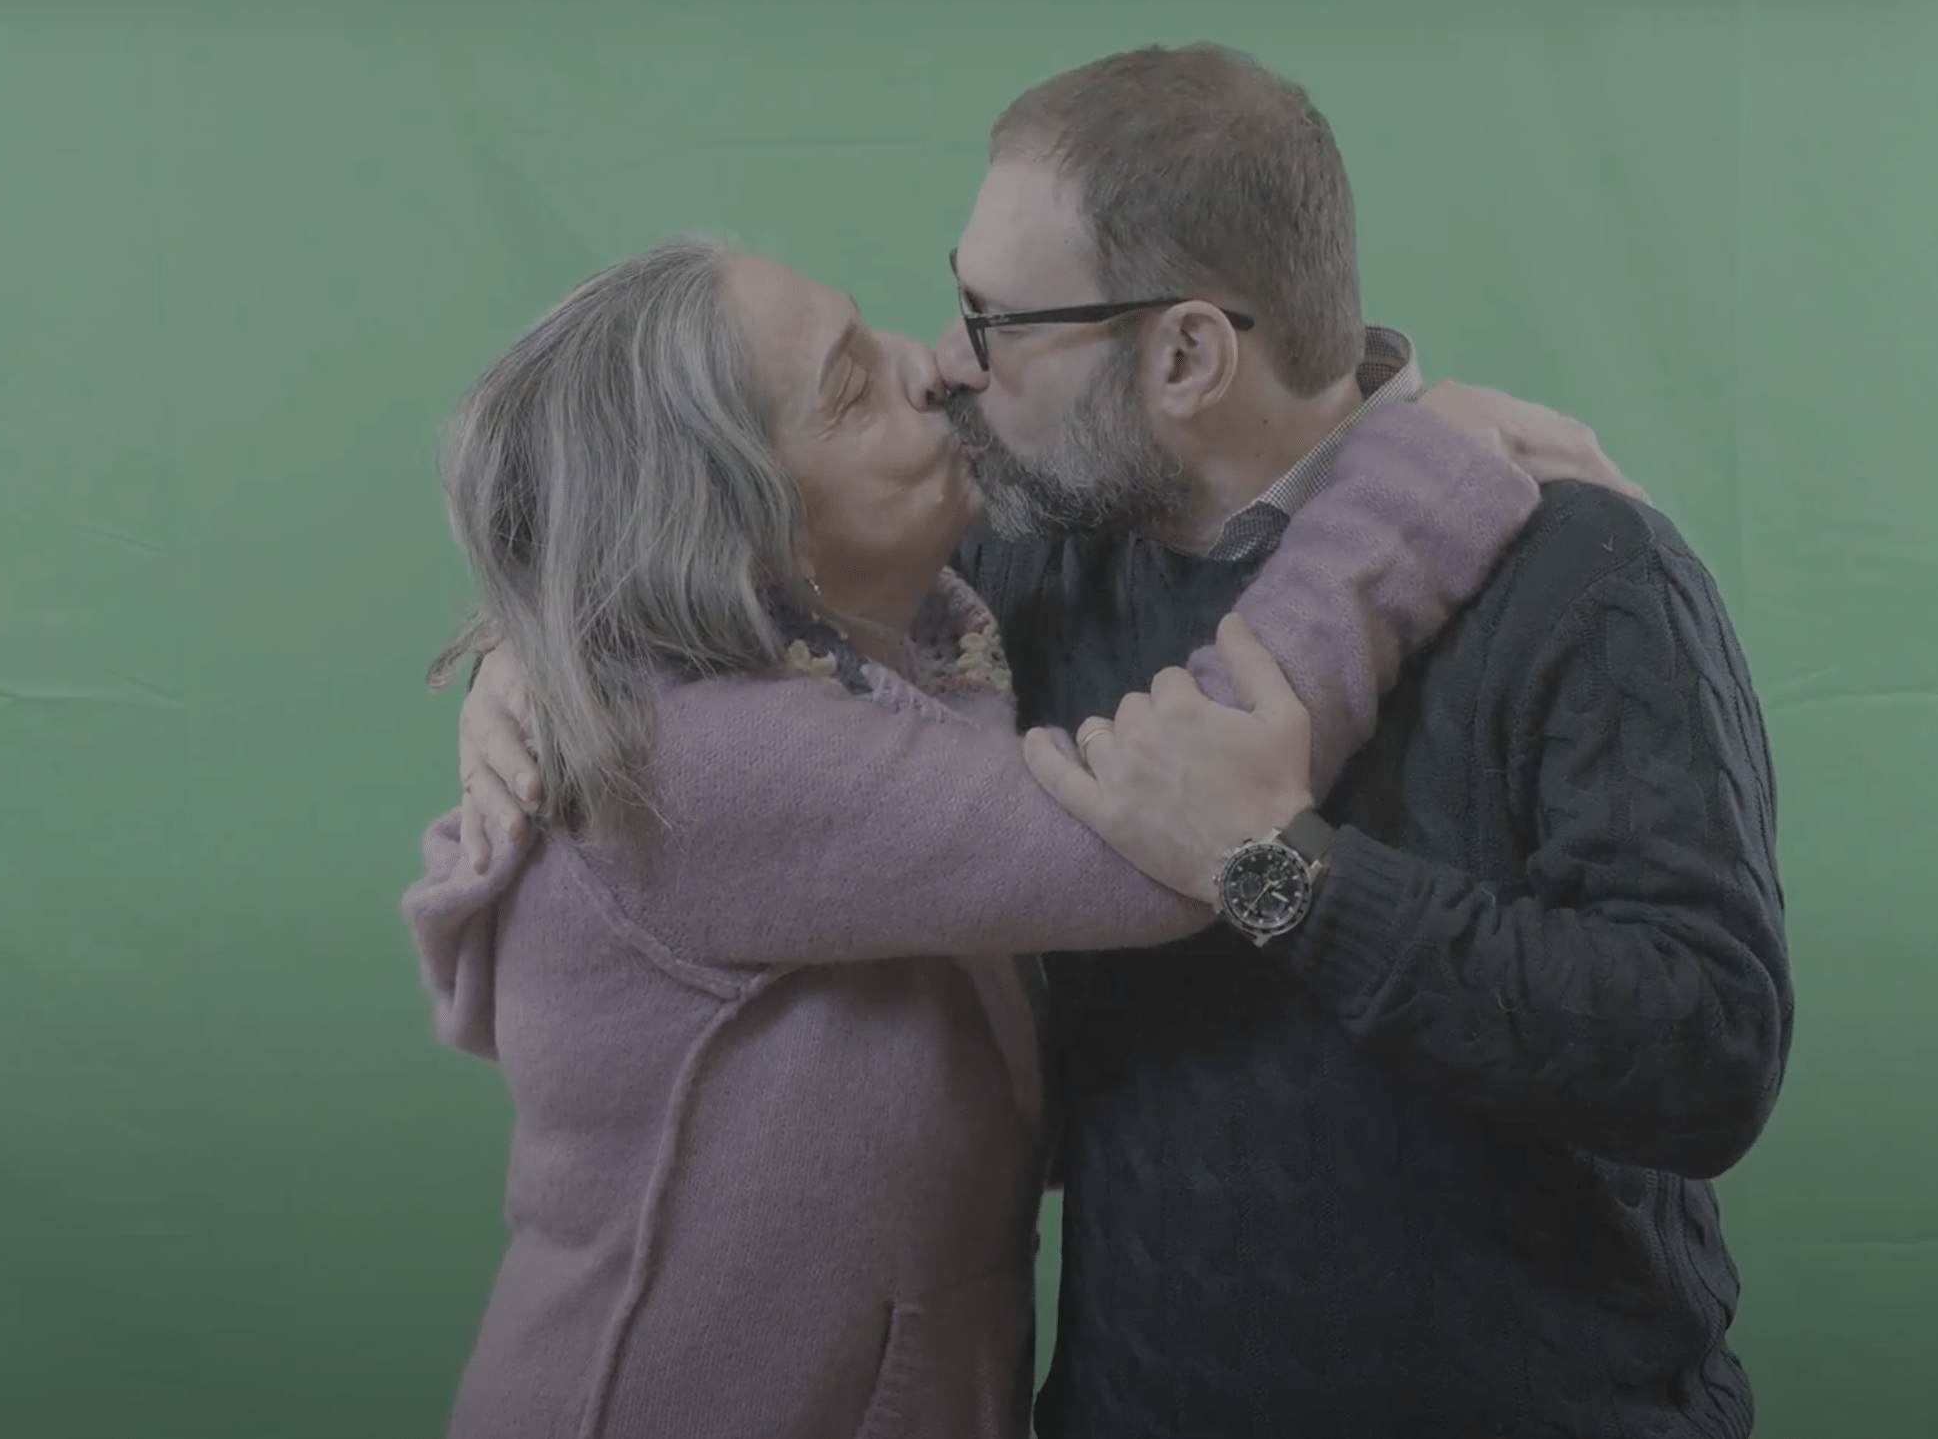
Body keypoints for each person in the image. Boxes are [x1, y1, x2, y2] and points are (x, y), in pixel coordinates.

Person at [458, 43, 1791, 1438]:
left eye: (997, 319)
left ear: (1185, 353)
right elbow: (713, 554)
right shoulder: (1033, 572)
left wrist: (1289, 879)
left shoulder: (1580, 574)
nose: (949, 361)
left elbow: (1707, 1051)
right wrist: (536, 657)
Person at [401, 234, 1549, 1438]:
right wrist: (1418, 478)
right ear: (740, 535)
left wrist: (528, 641)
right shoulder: (703, 762)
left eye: (870, 329)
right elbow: (1167, 829)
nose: (927, 362)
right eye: (849, 386)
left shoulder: (877, 663)